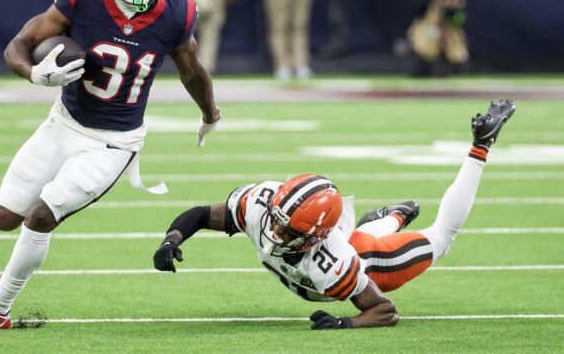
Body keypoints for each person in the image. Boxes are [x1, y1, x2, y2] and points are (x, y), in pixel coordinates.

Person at [0, 0, 221, 332]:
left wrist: (209, 112)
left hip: (112, 143)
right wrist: (33, 74)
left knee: (41, 215)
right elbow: (18, 45)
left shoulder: (176, 12)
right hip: (63, 123)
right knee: (4, 217)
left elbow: (192, 71)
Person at [153, 100, 516, 329]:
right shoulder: (260, 205)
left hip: (371, 260)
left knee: (442, 237)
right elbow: (201, 214)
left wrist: (346, 322)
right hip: (342, 238)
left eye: (287, 229)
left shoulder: (336, 261)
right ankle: (391, 217)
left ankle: (481, 145)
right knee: (360, 234)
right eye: (277, 220)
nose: (275, 231)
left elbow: (385, 311)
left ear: (317, 236)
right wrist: (172, 240)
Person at [407, 0, 469, 77]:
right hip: (429, 32)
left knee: (455, 54)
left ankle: (451, 71)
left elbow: (459, 20)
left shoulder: (455, 0)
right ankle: (421, 71)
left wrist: (454, 6)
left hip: (450, 34)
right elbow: (419, 13)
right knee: (425, 50)